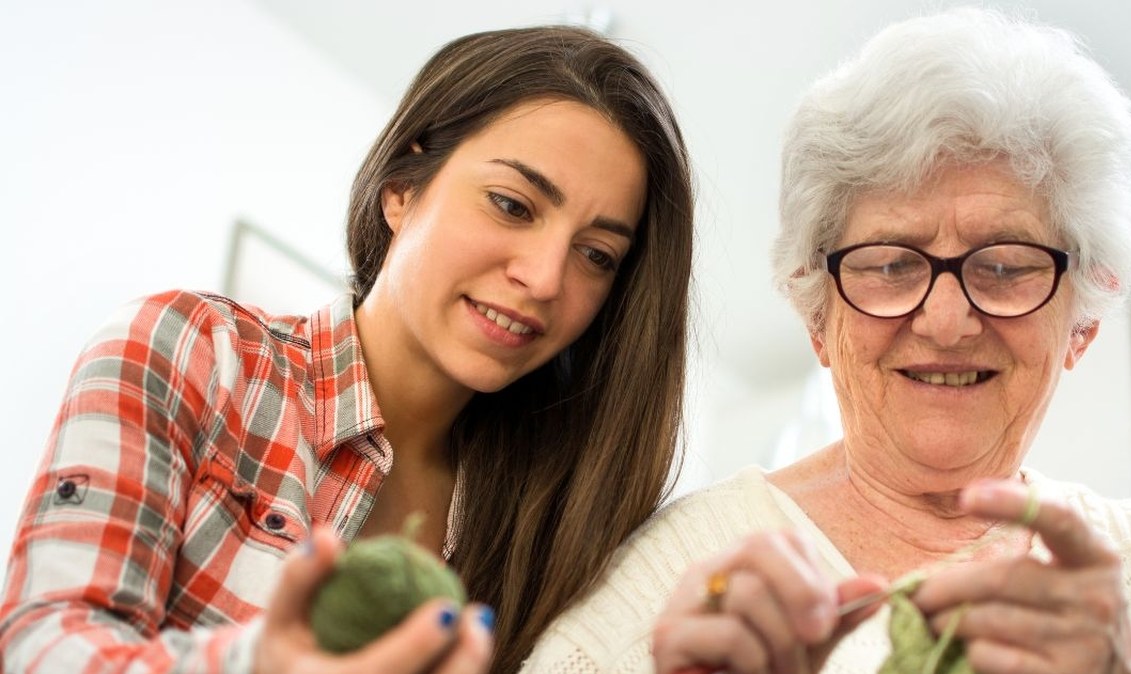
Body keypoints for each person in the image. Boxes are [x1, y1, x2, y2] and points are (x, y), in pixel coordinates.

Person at [523, 8, 1131, 673]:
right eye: (889, 264)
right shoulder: (672, 572)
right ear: (820, 319)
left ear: (1078, 324)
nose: (948, 320)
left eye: (1007, 265)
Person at [0, 25, 694, 674]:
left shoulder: (552, 526)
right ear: (401, 188)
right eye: (512, 205)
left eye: (597, 255)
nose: (545, 279)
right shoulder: (194, 352)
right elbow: (41, 643)